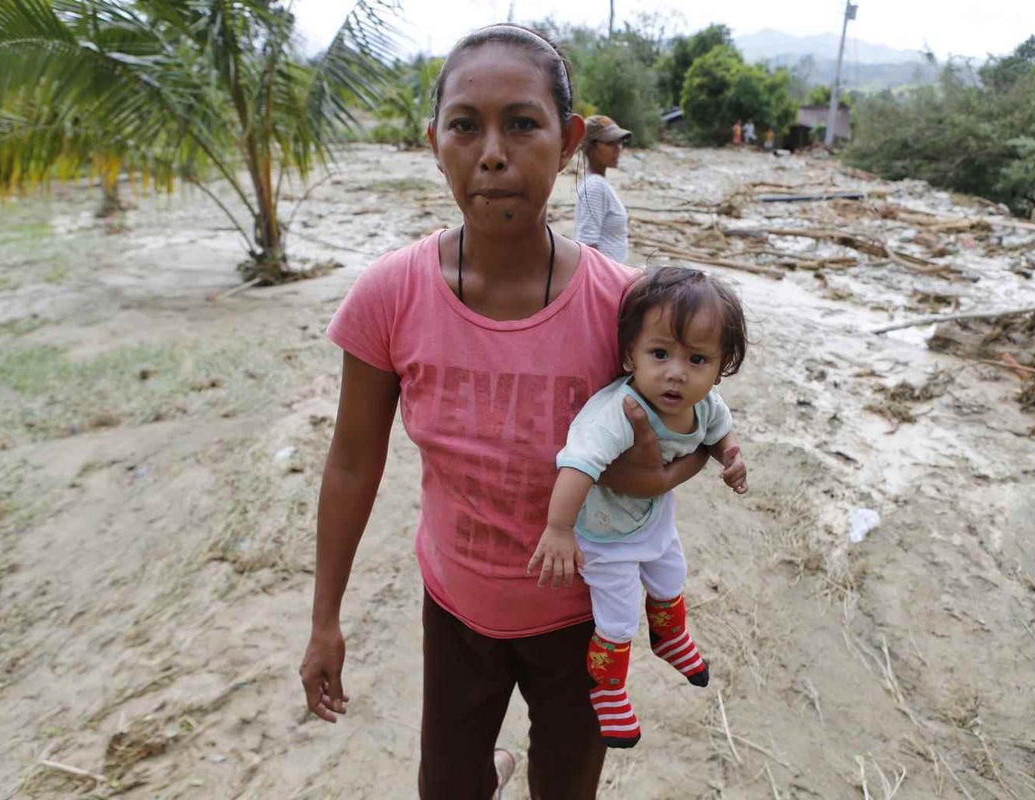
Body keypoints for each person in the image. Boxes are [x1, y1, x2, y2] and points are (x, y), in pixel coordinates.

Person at [298, 24, 711, 800]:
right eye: (465, 125)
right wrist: (325, 619)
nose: (492, 152)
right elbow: (353, 459)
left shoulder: (625, 310)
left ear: (568, 143)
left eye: (522, 124)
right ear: (435, 142)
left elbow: (661, 453)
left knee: (566, 788)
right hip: (457, 610)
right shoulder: (391, 296)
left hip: (583, 616)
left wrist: (657, 460)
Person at [527, 267, 749, 748]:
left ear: (720, 367)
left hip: (653, 522)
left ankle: (670, 638)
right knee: (619, 615)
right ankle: (607, 689)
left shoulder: (705, 404)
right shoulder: (617, 412)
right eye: (660, 353)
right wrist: (559, 528)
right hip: (604, 537)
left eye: (697, 359)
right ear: (631, 353)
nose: (676, 372)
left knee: (671, 576)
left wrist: (731, 458)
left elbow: (719, 433)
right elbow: (578, 466)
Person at [575, 114, 631, 262]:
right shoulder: (595, 186)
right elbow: (588, 245)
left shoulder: (599, 183)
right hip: (606, 281)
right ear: (591, 146)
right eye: (610, 143)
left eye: (619, 142)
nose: (618, 149)